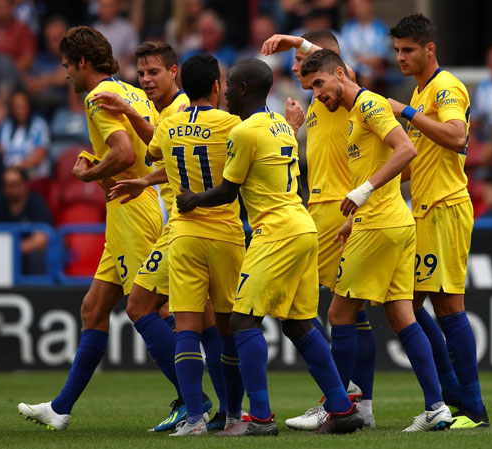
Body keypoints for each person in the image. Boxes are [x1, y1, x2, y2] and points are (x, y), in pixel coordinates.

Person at [176, 58, 363, 436]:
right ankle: (342, 409)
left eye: (230, 86)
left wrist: (193, 199)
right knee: (297, 324)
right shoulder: (280, 123)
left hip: (275, 230)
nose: (224, 91)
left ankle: (260, 417)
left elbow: (229, 191)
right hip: (302, 226)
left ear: (244, 89)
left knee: (243, 320)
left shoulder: (244, 133)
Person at [17, 26, 162, 431]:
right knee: (93, 310)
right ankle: (61, 408)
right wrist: (97, 168)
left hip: (134, 209)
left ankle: (196, 403)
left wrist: (89, 174)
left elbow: (125, 153)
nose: (65, 74)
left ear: (82, 63)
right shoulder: (131, 91)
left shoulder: (97, 98)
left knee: (150, 310)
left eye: (66, 65)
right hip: (132, 207)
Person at [301, 48, 453, 433]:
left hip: (380, 224)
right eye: (310, 88)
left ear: (340, 73)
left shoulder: (368, 105)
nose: (317, 94)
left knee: (338, 315)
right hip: (392, 223)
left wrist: (364, 192)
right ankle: (436, 408)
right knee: (401, 314)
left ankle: (338, 407)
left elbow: (408, 150)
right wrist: (356, 215)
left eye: (319, 84)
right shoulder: (353, 112)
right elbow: (384, 162)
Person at [92, 41, 229, 433]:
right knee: (206, 321)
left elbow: (161, 147)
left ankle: (195, 406)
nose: (146, 79)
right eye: (141, 74)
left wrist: (128, 112)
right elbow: (168, 161)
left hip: (186, 227)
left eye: (154, 72)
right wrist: (143, 181)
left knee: (140, 307)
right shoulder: (171, 109)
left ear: (175, 74)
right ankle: (225, 411)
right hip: (202, 225)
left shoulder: (181, 109)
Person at [260, 30, 375, 429]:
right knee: (353, 311)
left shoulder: (348, 94)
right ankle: (358, 404)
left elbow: (325, 59)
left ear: (335, 67)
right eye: (297, 69)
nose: (299, 72)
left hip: (338, 209)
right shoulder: (318, 102)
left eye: (306, 67)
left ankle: (338, 401)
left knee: (333, 311)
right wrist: (292, 128)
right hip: (323, 209)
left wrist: (294, 40)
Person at [388, 13, 489, 429]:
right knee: (405, 307)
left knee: (441, 306)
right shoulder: (423, 89)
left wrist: (408, 112)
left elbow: (456, 136)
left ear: (430, 48)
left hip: (445, 208)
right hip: (424, 210)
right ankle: (450, 398)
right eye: (396, 51)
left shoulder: (445, 88)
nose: (401, 58)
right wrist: (370, 187)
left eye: (408, 50)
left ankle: (472, 408)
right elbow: (415, 160)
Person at [0, 167, 53, 274]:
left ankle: (37, 289)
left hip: (27, 258)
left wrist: (13, 249)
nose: (10, 189)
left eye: (14, 184)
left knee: (36, 256)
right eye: (6, 185)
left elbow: (42, 239)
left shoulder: (36, 203)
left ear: (25, 185)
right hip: (2, 258)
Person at [0, 91, 51, 180]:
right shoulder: (7, 126)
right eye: (16, 107)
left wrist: (18, 168)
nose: (20, 111)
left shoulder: (39, 125)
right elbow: (1, 151)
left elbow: (39, 157)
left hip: (34, 176)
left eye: (22, 107)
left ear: (29, 106)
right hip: (10, 177)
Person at [340, 0, 389, 89]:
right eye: (354, 6)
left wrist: (360, 59)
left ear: (370, 5)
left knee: (367, 74)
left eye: (360, 5)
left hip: (373, 70)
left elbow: (379, 59)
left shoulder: (380, 28)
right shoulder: (348, 28)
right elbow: (345, 55)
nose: (357, 9)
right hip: (351, 67)